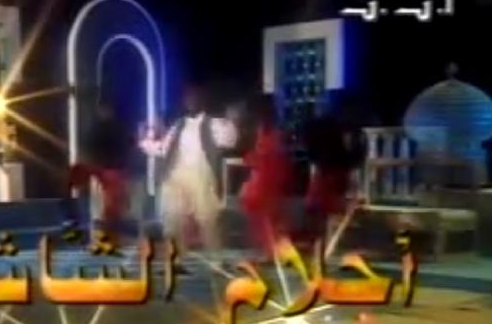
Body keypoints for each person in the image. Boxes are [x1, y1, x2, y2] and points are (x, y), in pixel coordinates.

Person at [140, 85, 237, 255]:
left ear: (203, 100)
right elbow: (163, 148)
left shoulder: (213, 124)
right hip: (177, 178)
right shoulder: (179, 125)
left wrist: (229, 122)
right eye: (188, 98)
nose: (190, 101)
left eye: (194, 97)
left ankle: (215, 258)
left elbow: (230, 141)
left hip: (202, 177)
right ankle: (177, 258)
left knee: (208, 222)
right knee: (173, 221)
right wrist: (145, 143)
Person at [69, 100, 134, 241]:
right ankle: (110, 233)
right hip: (114, 170)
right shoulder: (118, 128)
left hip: (104, 170)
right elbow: (129, 145)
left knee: (105, 207)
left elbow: (88, 148)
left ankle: (104, 233)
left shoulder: (97, 129)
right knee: (112, 206)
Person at [239, 94, 294, 260]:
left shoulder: (270, 132)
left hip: (267, 177)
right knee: (266, 214)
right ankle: (274, 250)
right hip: (267, 177)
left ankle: (274, 250)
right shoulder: (268, 130)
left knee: (264, 212)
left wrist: (252, 159)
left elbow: (267, 155)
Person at [304, 117, 367, 263]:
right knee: (329, 223)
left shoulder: (321, 154)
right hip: (331, 190)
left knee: (321, 226)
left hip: (321, 190)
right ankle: (323, 255)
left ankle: (320, 255)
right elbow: (355, 160)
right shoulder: (339, 156)